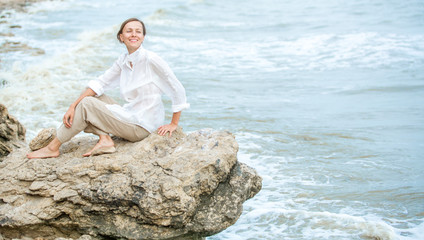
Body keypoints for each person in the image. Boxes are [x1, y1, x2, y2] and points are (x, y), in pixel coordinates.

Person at [27, 18, 189, 159]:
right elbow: (100, 83)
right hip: (132, 115)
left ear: (143, 37)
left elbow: (176, 86)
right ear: (121, 37)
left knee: (87, 105)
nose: (134, 34)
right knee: (93, 98)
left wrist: (173, 123)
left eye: (138, 31)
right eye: (129, 31)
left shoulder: (151, 59)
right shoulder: (124, 60)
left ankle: (53, 147)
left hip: (142, 127)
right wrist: (72, 105)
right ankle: (105, 139)